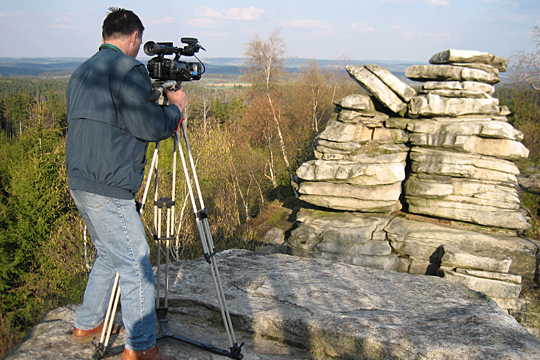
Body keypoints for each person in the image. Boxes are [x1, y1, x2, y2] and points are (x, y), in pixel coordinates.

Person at [65, 7, 186, 360]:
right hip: (109, 183)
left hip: (81, 179)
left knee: (109, 253)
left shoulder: (82, 70)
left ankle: (87, 324)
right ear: (134, 37)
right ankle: (140, 347)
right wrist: (174, 109)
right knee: (136, 263)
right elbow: (147, 126)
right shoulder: (128, 69)